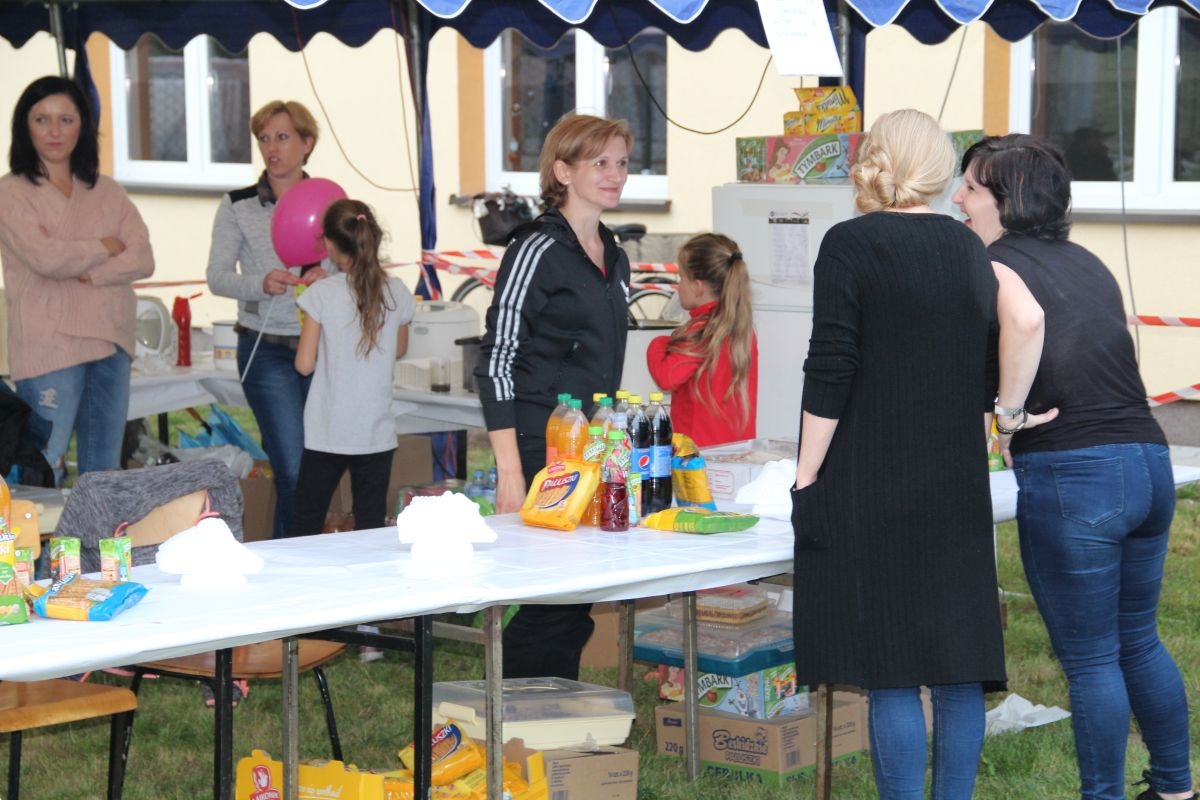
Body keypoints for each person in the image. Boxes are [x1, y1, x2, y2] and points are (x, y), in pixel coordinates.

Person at [790, 108, 1045, 800]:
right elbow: (1008, 338)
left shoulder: (849, 242)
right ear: (938, 169)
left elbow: (831, 365)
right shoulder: (969, 247)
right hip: (955, 475)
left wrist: (807, 472)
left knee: (892, 668)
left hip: (870, 475)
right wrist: (1006, 413)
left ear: (871, 161)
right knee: (959, 665)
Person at [955, 134, 1195, 800]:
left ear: (1007, 198)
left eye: (970, 188)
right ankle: (1175, 790)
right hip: (1149, 462)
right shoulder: (1087, 261)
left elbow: (1027, 325)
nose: (958, 200)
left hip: (1077, 475)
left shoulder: (995, 264)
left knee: (1090, 661)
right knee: (1138, 640)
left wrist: (1006, 418)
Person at [474, 113, 632, 680]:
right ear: (563, 172)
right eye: (600, 163)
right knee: (551, 602)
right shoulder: (535, 247)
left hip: (593, 443)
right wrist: (510, 473)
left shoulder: (614, 253)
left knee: (575, 595)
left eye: (622, 163)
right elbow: (496, 359)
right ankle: (502, 707)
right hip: (539, 440)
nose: (615, 174)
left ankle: (555, 708)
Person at [0, 76, 155, 486]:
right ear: (24, 126)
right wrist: (105, 245)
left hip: (111, 341)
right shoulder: (11, 192)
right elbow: (45, 258)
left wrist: (91, 271)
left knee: (104, 474)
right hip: (50, 345)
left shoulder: (108, 191)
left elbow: (143, 258)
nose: (54, 131)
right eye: (42, 119)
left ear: (83, 126)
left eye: (66, 119)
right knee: (43, 466)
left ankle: (96, 535)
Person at [206, 100, 330, 539]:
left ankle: (302, 555)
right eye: (264, 139)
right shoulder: (237, 205)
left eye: (282, 137)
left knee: (317, 468)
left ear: (307, 143)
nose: (272, 148)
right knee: (293, 467)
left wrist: (331, 277)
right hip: (265, 349)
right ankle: (296, 562)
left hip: (324, 348)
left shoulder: (333, 201)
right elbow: (217, 277)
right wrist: (260, 283)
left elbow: (359, 267)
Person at [291, 199, 415, 536]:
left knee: (306, 520)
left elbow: (304, 365)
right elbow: (399, 349)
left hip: (328, 429)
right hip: (376, 430)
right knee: (370, 523)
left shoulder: (321, 294)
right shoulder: (397, 291)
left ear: (330, 245)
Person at [646, 233, 757, 446]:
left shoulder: (702, 331)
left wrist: (659, 342)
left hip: (698, 454)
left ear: (697, 286)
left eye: (681, 278)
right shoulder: (742, 329)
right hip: (737, 451)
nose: (679, 286)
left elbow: (667, 376)